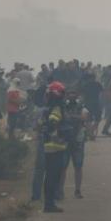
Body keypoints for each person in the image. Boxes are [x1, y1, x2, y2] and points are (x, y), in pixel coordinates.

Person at [39, 81, 70, 213]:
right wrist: (57, 134)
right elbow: (53, 122)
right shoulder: (56, 107)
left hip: (50, 146)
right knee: (53, 176)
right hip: (55, 147)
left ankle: (49, 203)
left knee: (51, 176)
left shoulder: (47, 107)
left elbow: (41, 124)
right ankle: (49, 204)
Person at [79, 71, 104, 140]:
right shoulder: (98, 84)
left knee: (88, 120)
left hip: (88, 104)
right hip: (96, 103)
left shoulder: (85, 85)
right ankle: (92, 131)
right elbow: (101, 94)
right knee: (98, 119)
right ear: (94, 78)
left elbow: (82, 95)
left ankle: (90, 132)